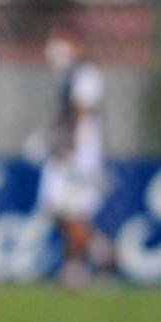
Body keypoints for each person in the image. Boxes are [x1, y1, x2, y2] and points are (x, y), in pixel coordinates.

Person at [27, 25, 108, 287]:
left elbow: (80, 111)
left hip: (78, 153)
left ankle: (81, 264)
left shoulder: (86, 73)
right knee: (56, 208)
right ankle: (96, 251)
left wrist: (68, 145)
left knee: (69, 208)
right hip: (65, 149)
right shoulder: (67, 74)